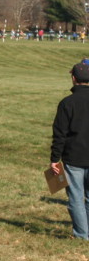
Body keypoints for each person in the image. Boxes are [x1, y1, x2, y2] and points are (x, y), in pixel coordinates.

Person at [50, 62, 89, 240]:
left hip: (74, 158)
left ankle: (82, 235)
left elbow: (60, 134)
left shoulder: (67, 103)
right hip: (77, 158)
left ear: (73, 78)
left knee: (75, 197)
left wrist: (54, 158)